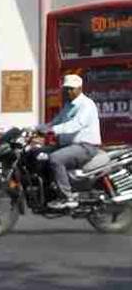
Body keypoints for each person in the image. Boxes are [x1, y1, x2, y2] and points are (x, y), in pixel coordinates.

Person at [39, 73, 101, 210]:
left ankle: (67, 197)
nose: (68, 91)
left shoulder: (86, 105)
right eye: (66, 88)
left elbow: (76, 124)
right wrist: (35, 128)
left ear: (79, 88)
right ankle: (49, 190)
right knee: (37, 153)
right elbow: (55, 121)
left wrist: (53, 130)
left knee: (56, 158)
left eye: (71, 88)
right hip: (67, 145)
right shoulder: (68, 105)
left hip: (85, 146)